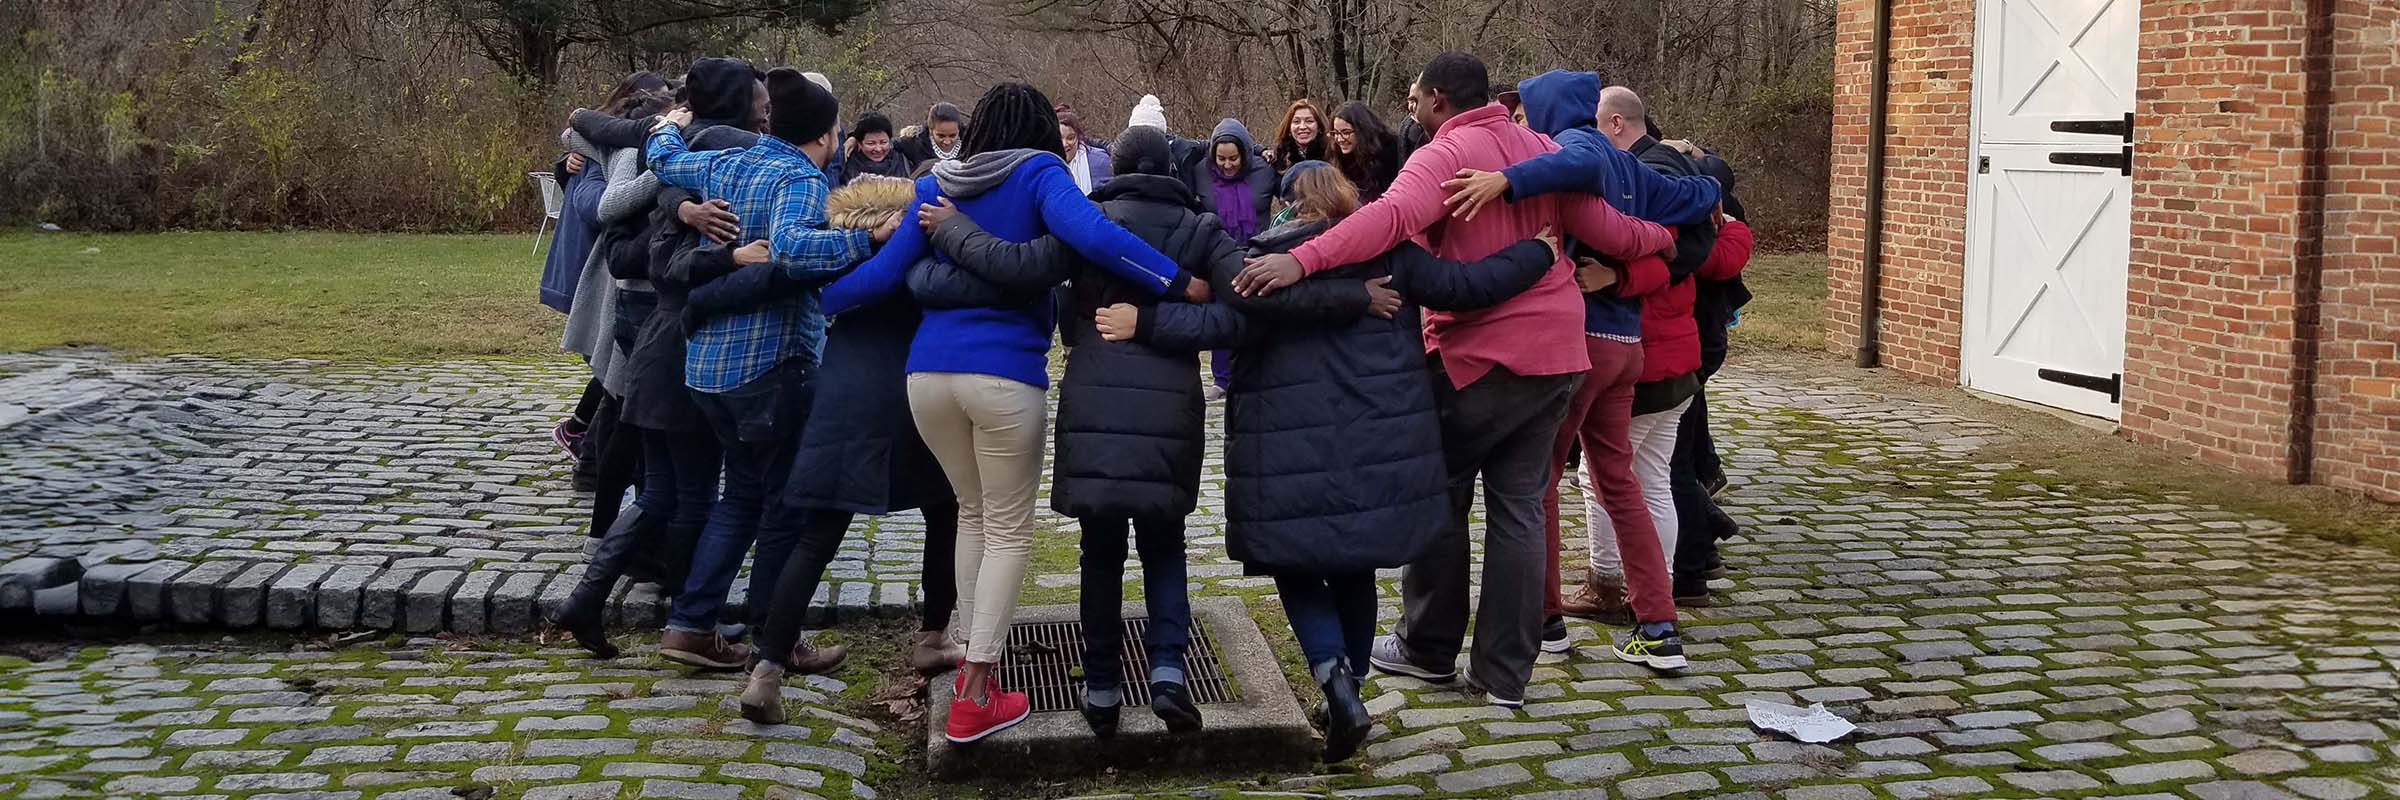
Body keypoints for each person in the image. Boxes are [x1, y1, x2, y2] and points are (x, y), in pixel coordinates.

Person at [1233, 52, 1674, 707]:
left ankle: (1428, 647)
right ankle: (1504, 675)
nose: (1409, 112)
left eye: (1413, 101)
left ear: (1439, 98)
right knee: (1520, 510)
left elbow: (1385, 222)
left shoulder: (1444, 154)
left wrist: (1300, 260)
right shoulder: (1540, 148)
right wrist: (1670, 232)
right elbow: (1613, 230)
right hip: (1558, 355)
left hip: (1480, 359)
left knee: (1436, 490)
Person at [1096, 163, 1559, 761]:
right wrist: (1538, 254)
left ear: (1285, 204)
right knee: (1355, 564)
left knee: (1292, 561)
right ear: (1347, 202)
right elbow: (1469, 285)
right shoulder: (1392, 255)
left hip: (1283, 444)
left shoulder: (1261, 264)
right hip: (1374, 439)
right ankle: (1354, 689)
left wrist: (1144, 322)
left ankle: (1333, 677)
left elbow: (1220, 323)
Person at [816, 82, 1195, 744]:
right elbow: (1097, 237)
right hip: (1003, 379)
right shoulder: (1040, 173)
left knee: (971, 513)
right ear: (1040, 130)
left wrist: (808, 295)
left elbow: (878, 280)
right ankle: (975, 692)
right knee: (1009, 530)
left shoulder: (940, 183)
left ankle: (968, 651)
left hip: (927, 377)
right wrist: (1176, 280)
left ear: (979, 125)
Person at [913, 125, 1219, 739]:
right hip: (1170, 407)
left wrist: (953, 232)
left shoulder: (1085, 219)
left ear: (1115, 169)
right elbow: (1225, 312)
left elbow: (1019, 267)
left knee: (1099, 550)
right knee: (1166, 544)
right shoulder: (1203, 229)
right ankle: (1166, 674)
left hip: (1095, 395)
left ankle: (1101, 686)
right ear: (1170, 168)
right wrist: (1161, 319)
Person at [1437, 70, 1721, 670]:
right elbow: (1690, 197)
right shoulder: (1629, 163)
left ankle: (1546, 623)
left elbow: (1579, 185)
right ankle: (1659, 625)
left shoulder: (1574, 149)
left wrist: (1503, 181)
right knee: (1619, 482)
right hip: (1627, 345)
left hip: (1582, 343)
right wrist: (1709, 193)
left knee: (1536, 485)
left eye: (1525, 111)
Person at [695, 174, 975, 722]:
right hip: (911, 389)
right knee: (946, 512)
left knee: (816, 536)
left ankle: (767, 669)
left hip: (843, 389)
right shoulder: (911, 254)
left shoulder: (836, 256)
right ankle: (933, 635)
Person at [643, 68, 893, 670]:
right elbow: (795, 249)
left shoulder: (730, 161)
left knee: (742, 497)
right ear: (830, 136)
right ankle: (776, 642)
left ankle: (689, 624)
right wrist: (871, 240)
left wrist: (666, 126)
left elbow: (664, 158)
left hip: (707, 369)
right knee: (785, 508)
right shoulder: (801, 177)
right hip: (768, 369)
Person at [1199, 118, 1275, 399]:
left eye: (1233, 158)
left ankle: (1257, 373)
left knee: (1256, 315)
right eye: (1221, 159)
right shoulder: (1200, 171)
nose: (1228, 165)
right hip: (1217, 255)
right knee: (1221, 316)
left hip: (1256, 253)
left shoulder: (1264, 171)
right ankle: (1222, 377)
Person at [1327, 101, 1400, 203]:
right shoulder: (1339, 156)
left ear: (1362, 130)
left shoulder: (1390, 152)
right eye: (1335, 133)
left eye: (1346, 132)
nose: (1339, 139)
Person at [844, 112, 915, 184]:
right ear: (859, 143)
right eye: (871, 143)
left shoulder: (903, 162)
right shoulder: (846, 165)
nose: (878, 149)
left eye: (883, 142)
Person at [1057, 110, 1113, 194]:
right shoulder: (1044, 163)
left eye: (1070, 138)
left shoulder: (1100, 161)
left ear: (1078, 137)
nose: (1065, 144)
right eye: (1060, 138)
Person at [1267, 99, 1329, 173]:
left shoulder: (1331, 154)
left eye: (1309, 121)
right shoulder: (1277, 158)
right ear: (1289, 127)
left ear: (1319, 126)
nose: (1302, 127)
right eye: (1296, 122)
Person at [895, 102, 967, 166]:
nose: (947, 141)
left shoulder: (971, 144)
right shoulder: (914, 144)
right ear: (930, 130)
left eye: (952, 136)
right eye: (941, 136)